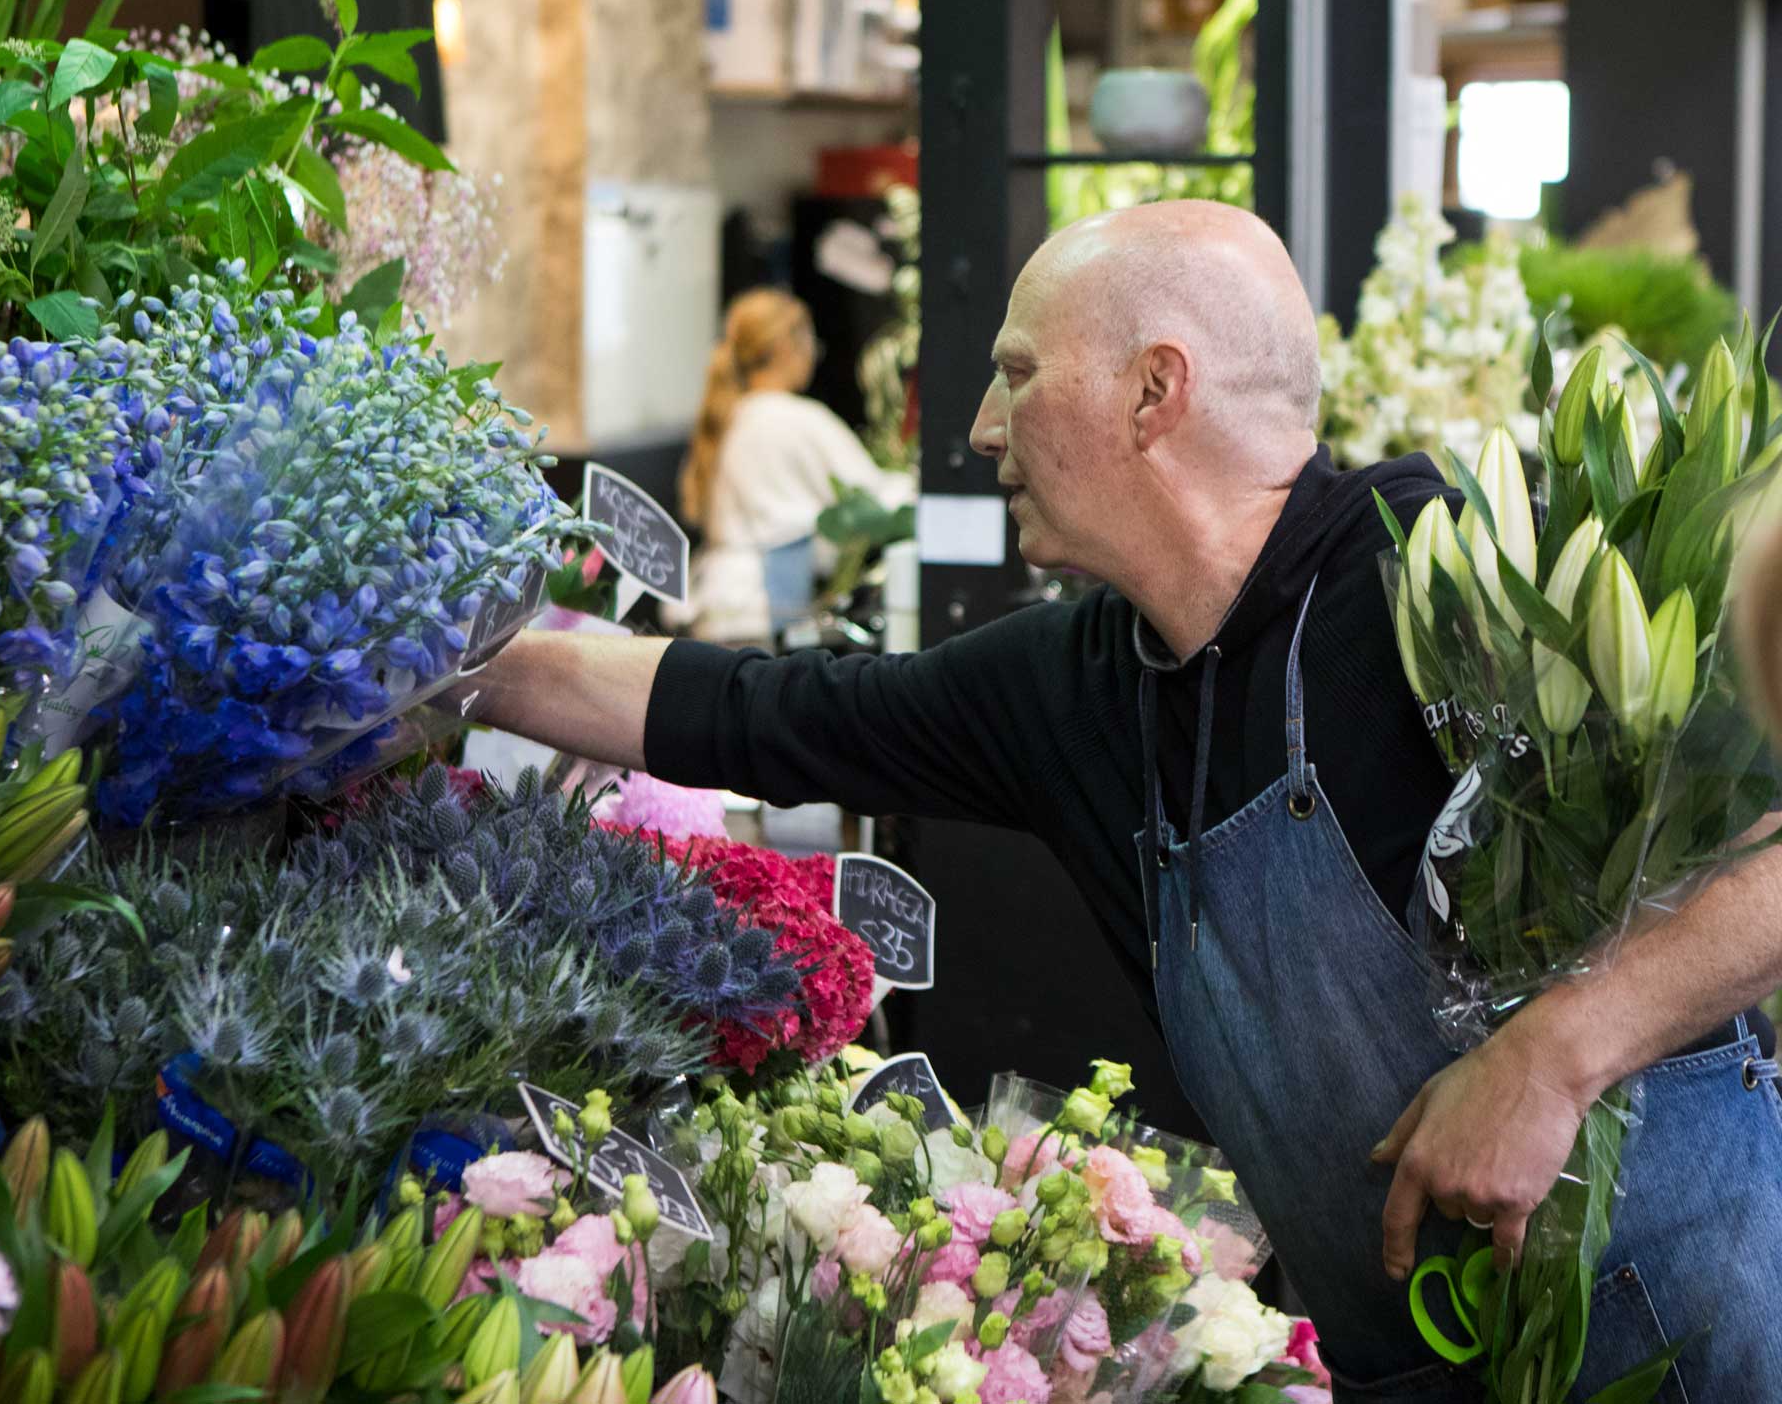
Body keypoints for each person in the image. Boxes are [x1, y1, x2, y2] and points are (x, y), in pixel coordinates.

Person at [466, 202, 1782, 1399]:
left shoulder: (1444, 570)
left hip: (1706, 1327)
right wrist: (439, 662)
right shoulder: (1082, 685)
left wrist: (1554, 1054)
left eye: (1019, 372)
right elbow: (760, 706)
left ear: (1158, 391)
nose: (982, 425)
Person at [673, 289, 914, 645]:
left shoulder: (733, 416)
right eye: (810, 341)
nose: (814, 354)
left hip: (716, 608)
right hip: (766, 612)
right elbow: (874, 495)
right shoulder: (798, 419)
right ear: (788, 346)